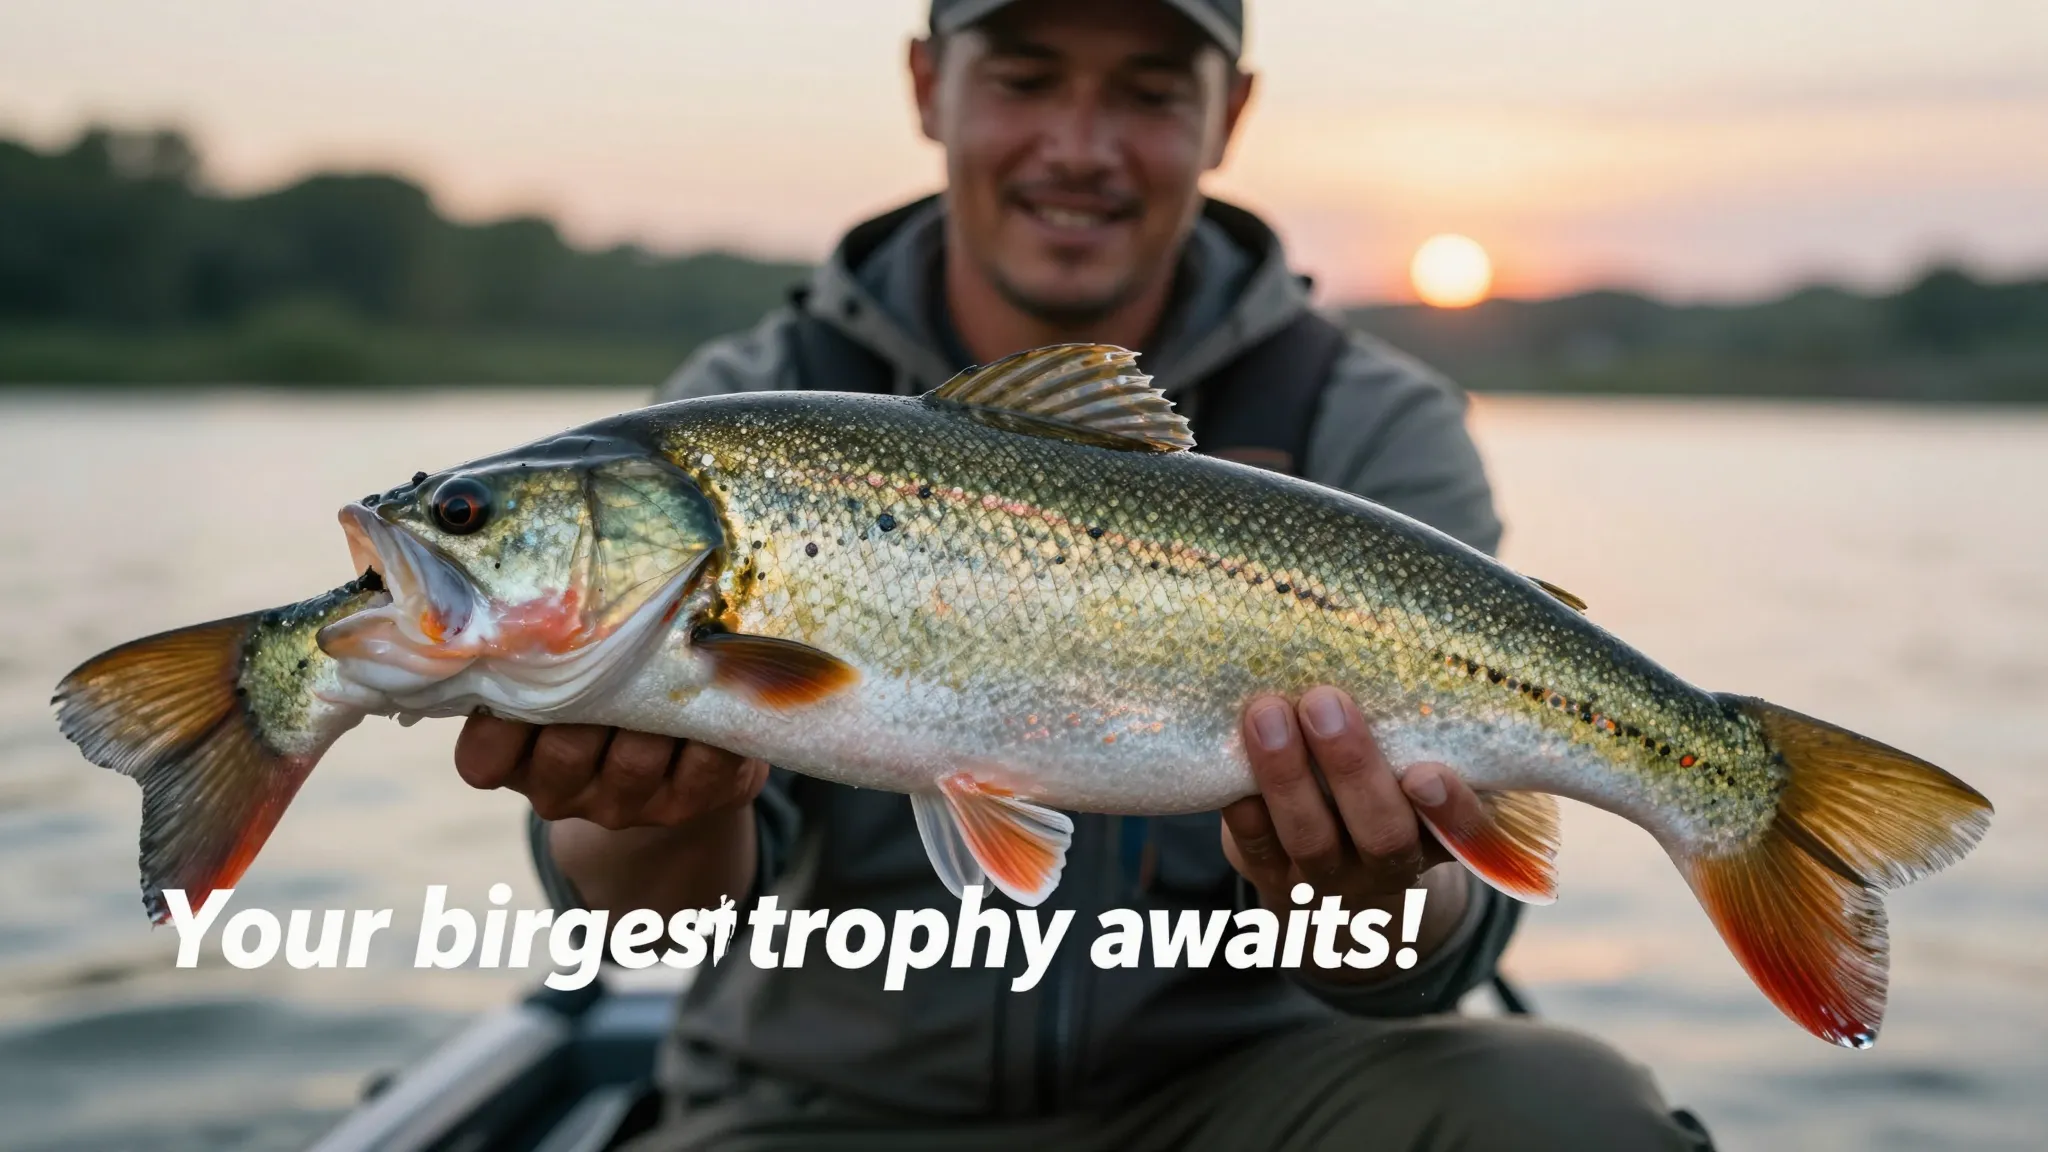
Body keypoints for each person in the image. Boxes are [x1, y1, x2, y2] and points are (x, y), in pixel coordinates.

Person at [453, 1, 1713, 1147]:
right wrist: (644, 805)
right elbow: (652, 927)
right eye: (1024, 78)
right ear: (926, 84)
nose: (1079, 146)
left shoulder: (1373, 421)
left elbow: (1432, 946)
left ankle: (1725, 797)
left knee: (1570, 1110)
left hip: (1242, 1100)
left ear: (1229, 113)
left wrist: (1370, 890)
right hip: (815, 1111)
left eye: (1149, 92)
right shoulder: (736, 420)